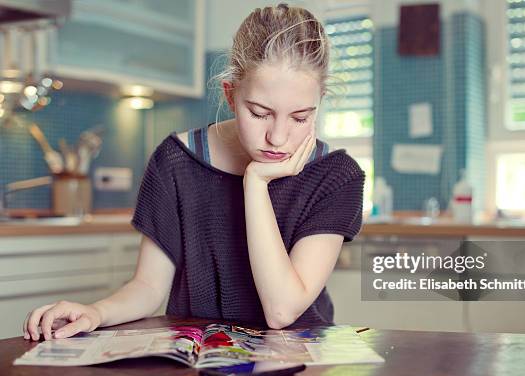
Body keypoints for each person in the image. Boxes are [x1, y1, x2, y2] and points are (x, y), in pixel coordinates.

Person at [22, 3, 365, 341]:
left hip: (298, 371)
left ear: (319, 104)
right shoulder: (176, 161)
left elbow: (282, 311)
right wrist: (96, 312)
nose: (277, 137)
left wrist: (256, 183)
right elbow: (149, 286)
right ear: (231, 96)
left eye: (300, 118)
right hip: (197, 362)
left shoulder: (337, 177)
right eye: (260, 113)